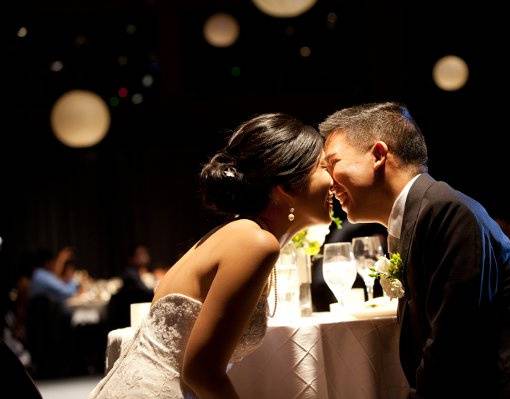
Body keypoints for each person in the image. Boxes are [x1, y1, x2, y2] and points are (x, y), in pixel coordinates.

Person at [320, 102, 510, 398]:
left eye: (333, 163)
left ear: (378, 155)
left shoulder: (445, 210)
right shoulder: (419, 212)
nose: (329, 183)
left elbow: (456, 344)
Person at [89, 113, 333, 399]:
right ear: (285, 188)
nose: (333, 180)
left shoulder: (239, 233)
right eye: (323, 167)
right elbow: (201, 372)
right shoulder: (254, 241)